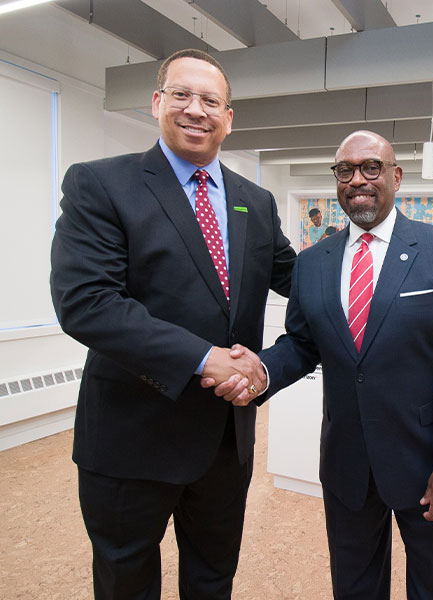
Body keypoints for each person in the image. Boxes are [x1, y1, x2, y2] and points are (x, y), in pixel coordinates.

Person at [50, 49, 296, 599]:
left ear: (229, 118)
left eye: (211, 100)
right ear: (157, 102)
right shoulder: (102, 184)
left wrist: (378, 276)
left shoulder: (254, 203)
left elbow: (299, 280)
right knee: (126, 582)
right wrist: (203, 357)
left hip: (224, 441)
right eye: (182, 95)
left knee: (213, 578)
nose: (196, 110)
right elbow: (86, 301)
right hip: (131, 437)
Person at [209, 130, 433, 599]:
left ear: (396, 176)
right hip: (346, 465)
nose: (357, 179)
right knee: (354, 586)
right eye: (345, 170)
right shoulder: (313, 263)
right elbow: (302, 344)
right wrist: (259, 370)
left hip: (427, 468)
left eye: (371, 167)